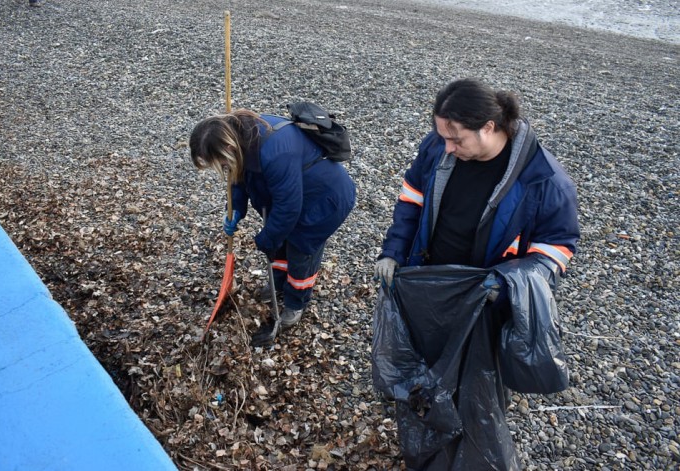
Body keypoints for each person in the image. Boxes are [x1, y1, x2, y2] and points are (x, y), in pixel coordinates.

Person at [372, 78, 580, 469]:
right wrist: (394, 252)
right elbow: (411, 196)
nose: (446, 147)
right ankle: (430, 409)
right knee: (428, 355)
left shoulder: (545, 181)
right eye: (442, 136)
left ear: (489, 127)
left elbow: (557, 247)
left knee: (477, 378)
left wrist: (504, 283)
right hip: (429, 276)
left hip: (485, 298)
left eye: (456, 139)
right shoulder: (438, 146)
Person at [190, 109, 356, 329]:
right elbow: (238, 176)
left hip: (324, 201)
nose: (222, 169)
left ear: (228, 148)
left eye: (220, 163)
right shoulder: (240, 139)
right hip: (291, 197)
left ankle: (296, 302)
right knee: (279, 243)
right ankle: (278, 283)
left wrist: (266, 239)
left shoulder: (275, 151)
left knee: (300, 251)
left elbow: (288, 209)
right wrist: (235, 210)